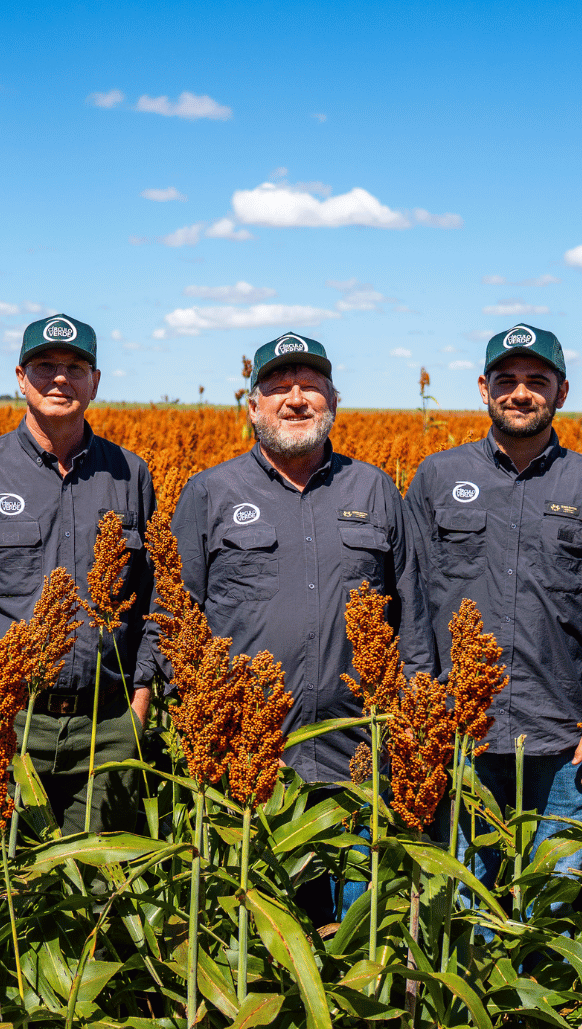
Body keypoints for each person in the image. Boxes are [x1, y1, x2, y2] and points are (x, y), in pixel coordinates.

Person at [168, 332, 434, 916]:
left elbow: (412, 610)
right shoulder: (211, 492)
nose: (295, 400)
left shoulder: (374, 489)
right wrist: (192, 720)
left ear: (332, 403)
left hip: (359, 758)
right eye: (279, 388)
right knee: (257, 931)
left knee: (361, 927)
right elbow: (175, 618)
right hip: (249, 757)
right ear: (253, 407)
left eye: (310, 388)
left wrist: (414, 711)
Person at [404, 324, 582, 891]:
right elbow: (410, 598)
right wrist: (421, 703)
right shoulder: (438, 477)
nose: (520, 392)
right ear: (484, 388)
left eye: (536, 380)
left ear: (562, 392)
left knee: (555, 900)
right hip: (461, 729)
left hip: (569, 735)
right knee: (462, 902)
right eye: (507, 379)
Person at [0, 313, 156, 836]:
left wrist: (139, 705)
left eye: (75, 366)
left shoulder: (130, 474)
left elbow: (153, 597)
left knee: (101, 895)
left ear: (95, 381)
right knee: (5, 886)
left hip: (107, 725)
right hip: (5, 720)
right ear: (20, 376)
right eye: (45, 365)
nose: (60, 378)